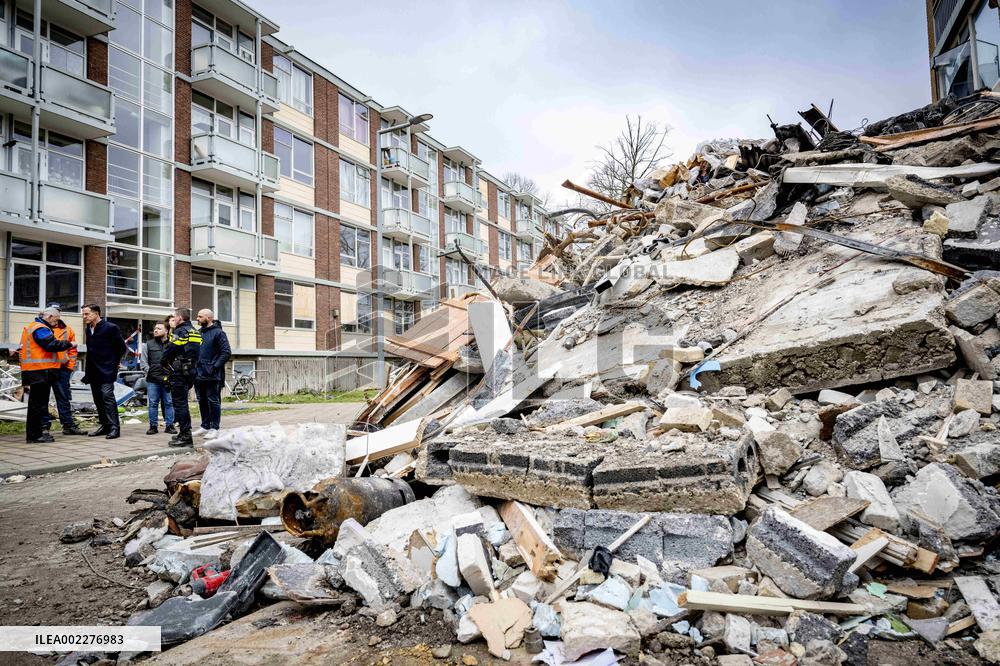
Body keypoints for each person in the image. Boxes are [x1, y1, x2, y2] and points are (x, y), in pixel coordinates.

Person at [20, 307, 77, 443]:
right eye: (55, 320)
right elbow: (51, 344)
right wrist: (70, 344)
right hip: (39, 371)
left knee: (37, 404)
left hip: (37, 371)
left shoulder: (34, 327)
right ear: (50, 317)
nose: (56, 323)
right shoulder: (40, 328)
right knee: (38, 405)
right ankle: (35, 435)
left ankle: (36, 433)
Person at [81, 304, 127, 439]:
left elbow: (121, 347)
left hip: (107, 369)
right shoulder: (88, 329)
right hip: (93, 370)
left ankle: (114, 428)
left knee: (107, 396)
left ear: (96, 314)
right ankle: (105, 425)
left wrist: (116, 362)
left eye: (86, 314)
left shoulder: (111, 328)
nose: (84, 317)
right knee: (98, 399)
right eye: (83, 314)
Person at [41, 307, 86, 436]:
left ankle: (68, 425)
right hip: (45, 367)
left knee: (63, 398)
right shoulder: (41, 329)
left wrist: (69, 366)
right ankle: (44, 426)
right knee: (43, 398)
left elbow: (73, 350)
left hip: (62, 369)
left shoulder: (67, 330)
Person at [162, 308, 201, 448]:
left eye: (174, 316)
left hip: (179, 371)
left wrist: (163, 362)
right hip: (191, 371)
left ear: (179, 317)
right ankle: (183, 433)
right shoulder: (195, 331)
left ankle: (185, 436)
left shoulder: (179, 331)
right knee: (182, 403)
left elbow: (170, 350)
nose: (174, 319)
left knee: (180, 404)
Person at [193, 309, 231, 438]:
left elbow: (226, 352)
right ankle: (205, 426)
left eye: (200, 316)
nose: (197, 318)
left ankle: (214, 428)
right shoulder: (198, 333)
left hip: (211, 374)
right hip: (198, 374)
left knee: (213, 401)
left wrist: (214, 367)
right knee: (201, 400)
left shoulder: (219, 333)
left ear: (208, 318)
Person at [140, 321, 176, 435]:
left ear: (166, 331)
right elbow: (143, 363)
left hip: (168, 379)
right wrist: (150, 371)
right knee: (153, 403)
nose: (156, 330)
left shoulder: (172, 343)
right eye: (155, 328)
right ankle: (153, 427)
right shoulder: (148, 344)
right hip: (153, 380)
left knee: (169, 403)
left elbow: (176, 360)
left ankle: (170, 426)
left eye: (159, 328)